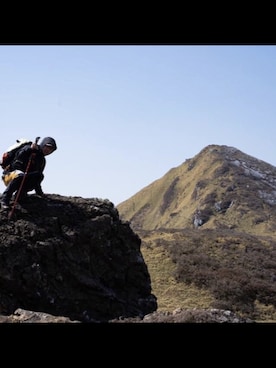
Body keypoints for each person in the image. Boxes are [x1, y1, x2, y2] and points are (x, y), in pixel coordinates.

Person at [1, 137, 57, 209]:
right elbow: (17, 160)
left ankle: (21, 196)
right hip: (9, 176)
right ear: (43, 144)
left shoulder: (42, 160)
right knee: (20, 175)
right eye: (47, 147)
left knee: (39, 175)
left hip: (22, 178)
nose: (48, 150)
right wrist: (30, 149)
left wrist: (40, 193)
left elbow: (37, 180)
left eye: (51, 149)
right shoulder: (28, 149)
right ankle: (5, 199)